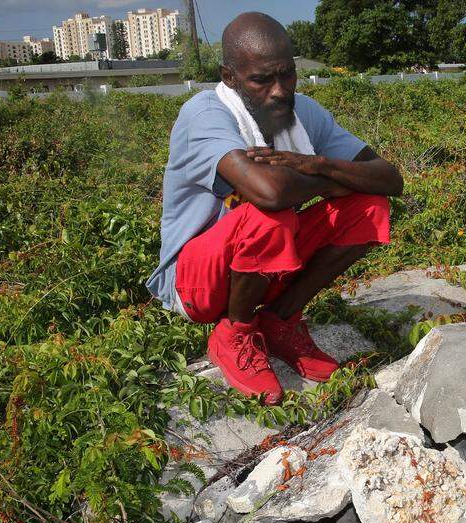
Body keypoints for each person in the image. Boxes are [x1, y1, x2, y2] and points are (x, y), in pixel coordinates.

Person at [146, 12, 403, 405]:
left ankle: (280, 320)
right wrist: (333, 184)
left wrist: (317, 164)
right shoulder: (206, 114)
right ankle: (235, 334)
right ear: (229, 76)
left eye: (287, 75)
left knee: (369, 206)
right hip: (197, 281)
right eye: (262, 79)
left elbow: (387, 178)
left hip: (263, 263)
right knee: (271, 214)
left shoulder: (304, 113)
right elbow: (269, 193)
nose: (279, 90)